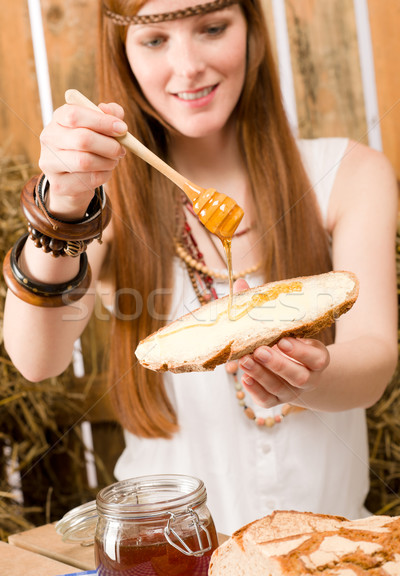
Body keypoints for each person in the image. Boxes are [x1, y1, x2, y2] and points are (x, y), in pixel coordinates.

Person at [3, 0, 397, 535]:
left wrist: (308, 377)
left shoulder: (349, 173)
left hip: (325, 550)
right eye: (155, 39)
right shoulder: (103, 200)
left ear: (252, 30)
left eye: (211, 28)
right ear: (123, 52)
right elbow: (36, 359)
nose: (187, 66)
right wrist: (64, 207)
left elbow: (374, 359)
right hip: (166, 561)